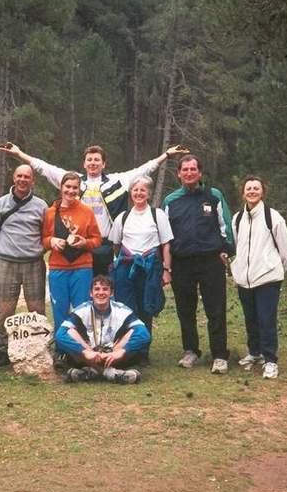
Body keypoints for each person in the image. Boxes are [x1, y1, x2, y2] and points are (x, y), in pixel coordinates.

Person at [0, 143, 189, 275]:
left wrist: (166, 155)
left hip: (106, 246)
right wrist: (19, 154)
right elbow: (43, 167)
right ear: (84, 163)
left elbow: (145, 169)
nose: (93, 163)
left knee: (106, 290)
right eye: (89, 159)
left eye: (97, 160)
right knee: (83, 294)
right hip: (78, 246)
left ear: (103, 163)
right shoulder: (73, 182)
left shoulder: (118, 181)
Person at [163, 154, 234, 374]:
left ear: (200, 172)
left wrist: (226, 250)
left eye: (193, 169)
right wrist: (165, 265)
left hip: (210, 260)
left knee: (215, 308)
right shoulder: (170, 201)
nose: (189, 173)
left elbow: (226, 225)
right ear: (178, 174)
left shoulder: (213, 196)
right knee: (185, 309)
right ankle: (191, 350)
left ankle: (219, 355)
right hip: (182, 262)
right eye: (185, 170)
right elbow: (164, 236)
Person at [0, 164, 49, 366]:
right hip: (6, 263)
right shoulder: (0, 204)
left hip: (33, 263)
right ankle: (2, 350)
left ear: (33, 181)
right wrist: (4, 250)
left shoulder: (41, 206)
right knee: (4, 310)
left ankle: (38, 347)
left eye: (27, 177)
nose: (22, 179)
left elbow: (46, 233)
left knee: (37, 310)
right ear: (13, 178)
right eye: (19, 176)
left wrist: (36, 250)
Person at [231, 176, 287, 379]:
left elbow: (285, 250)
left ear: (262, 192)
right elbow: (238, 247)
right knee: (251, 319)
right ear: (243, 193)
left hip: (268, 279)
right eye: (248, 188)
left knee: (266, 320)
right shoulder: (237, 218)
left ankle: (270, 360)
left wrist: (275, 270)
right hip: (244, 280)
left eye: (256, 188)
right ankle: (255, 353)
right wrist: (238, 270)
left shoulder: (273, 217)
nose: (252, 191)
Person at [109, 175, 173, 343]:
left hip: (149, 268)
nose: (139, 193)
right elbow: (116, 245)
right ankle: (127, 348)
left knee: (146, 307)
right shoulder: (122, 217)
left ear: (149, 193)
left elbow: (166, 244)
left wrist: (166, 270)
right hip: (126, 269)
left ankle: (143, 348)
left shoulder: (157, 215)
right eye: (135, 190)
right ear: (131, 193)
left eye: (142, 190)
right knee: (126, 309)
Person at [54, 275, 151, 384]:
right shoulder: (81, 310)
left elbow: (144, 335)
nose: (101, 293)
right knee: (69, 331)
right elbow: (60, 335)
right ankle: (112, 374)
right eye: (97, 289)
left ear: (111, 293)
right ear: (91, 293)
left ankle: (90, 372)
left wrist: (122, 351)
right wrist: (84, 351)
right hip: (88, 355)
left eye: (105, 289)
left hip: (113, 355)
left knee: (134, 331)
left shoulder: (122, 310)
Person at [43, 172, 102, 331]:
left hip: (82, 268)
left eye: (75, 188)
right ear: (61, 187)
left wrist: (84, 243)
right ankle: (62, 343)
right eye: (68, 186)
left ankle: (82, 343)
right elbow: (43, 239)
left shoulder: (86, 211)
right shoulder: (50, 212)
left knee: (82, 310)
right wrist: (52, 241)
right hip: (58, 268)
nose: (71, 191)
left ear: (79, 189)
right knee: (59, 310)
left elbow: (97, 240)